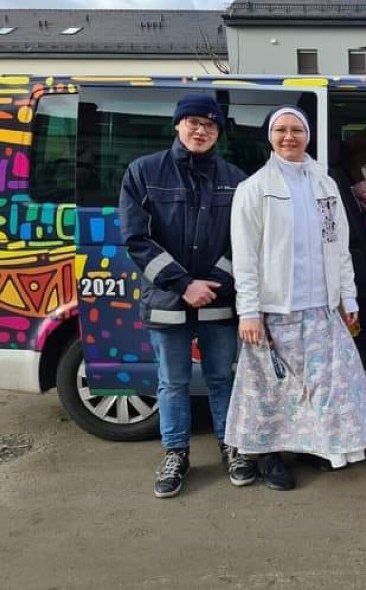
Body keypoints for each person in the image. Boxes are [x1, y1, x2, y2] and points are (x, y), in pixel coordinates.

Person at [225, 106, 366, 490]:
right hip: (275, 310)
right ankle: (270, 457)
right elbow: (245, 260)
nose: (289, 137)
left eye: (297, 130)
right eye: (281, 130)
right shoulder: (254, 189)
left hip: (321, 307)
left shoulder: (324, 184)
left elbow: (338, 247)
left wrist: (349, 299)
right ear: (270, 137)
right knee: (274, 389)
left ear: (308, 136)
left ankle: (316, 445)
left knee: (322, 384)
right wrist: (249, 312)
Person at [119, 94, 253, 499]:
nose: (201, 130)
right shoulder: (143, 172)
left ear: (218, 132)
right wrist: (184, 284)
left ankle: (233, 447)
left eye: (210, 125)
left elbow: (246, 242)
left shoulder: (236, 178)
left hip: (218, 298)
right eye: (193, 122)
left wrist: (213, 281)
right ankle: (176, 453)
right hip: (168, 301)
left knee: (221, 378)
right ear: (177, 125)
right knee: (172, 383)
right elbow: (136, 239)